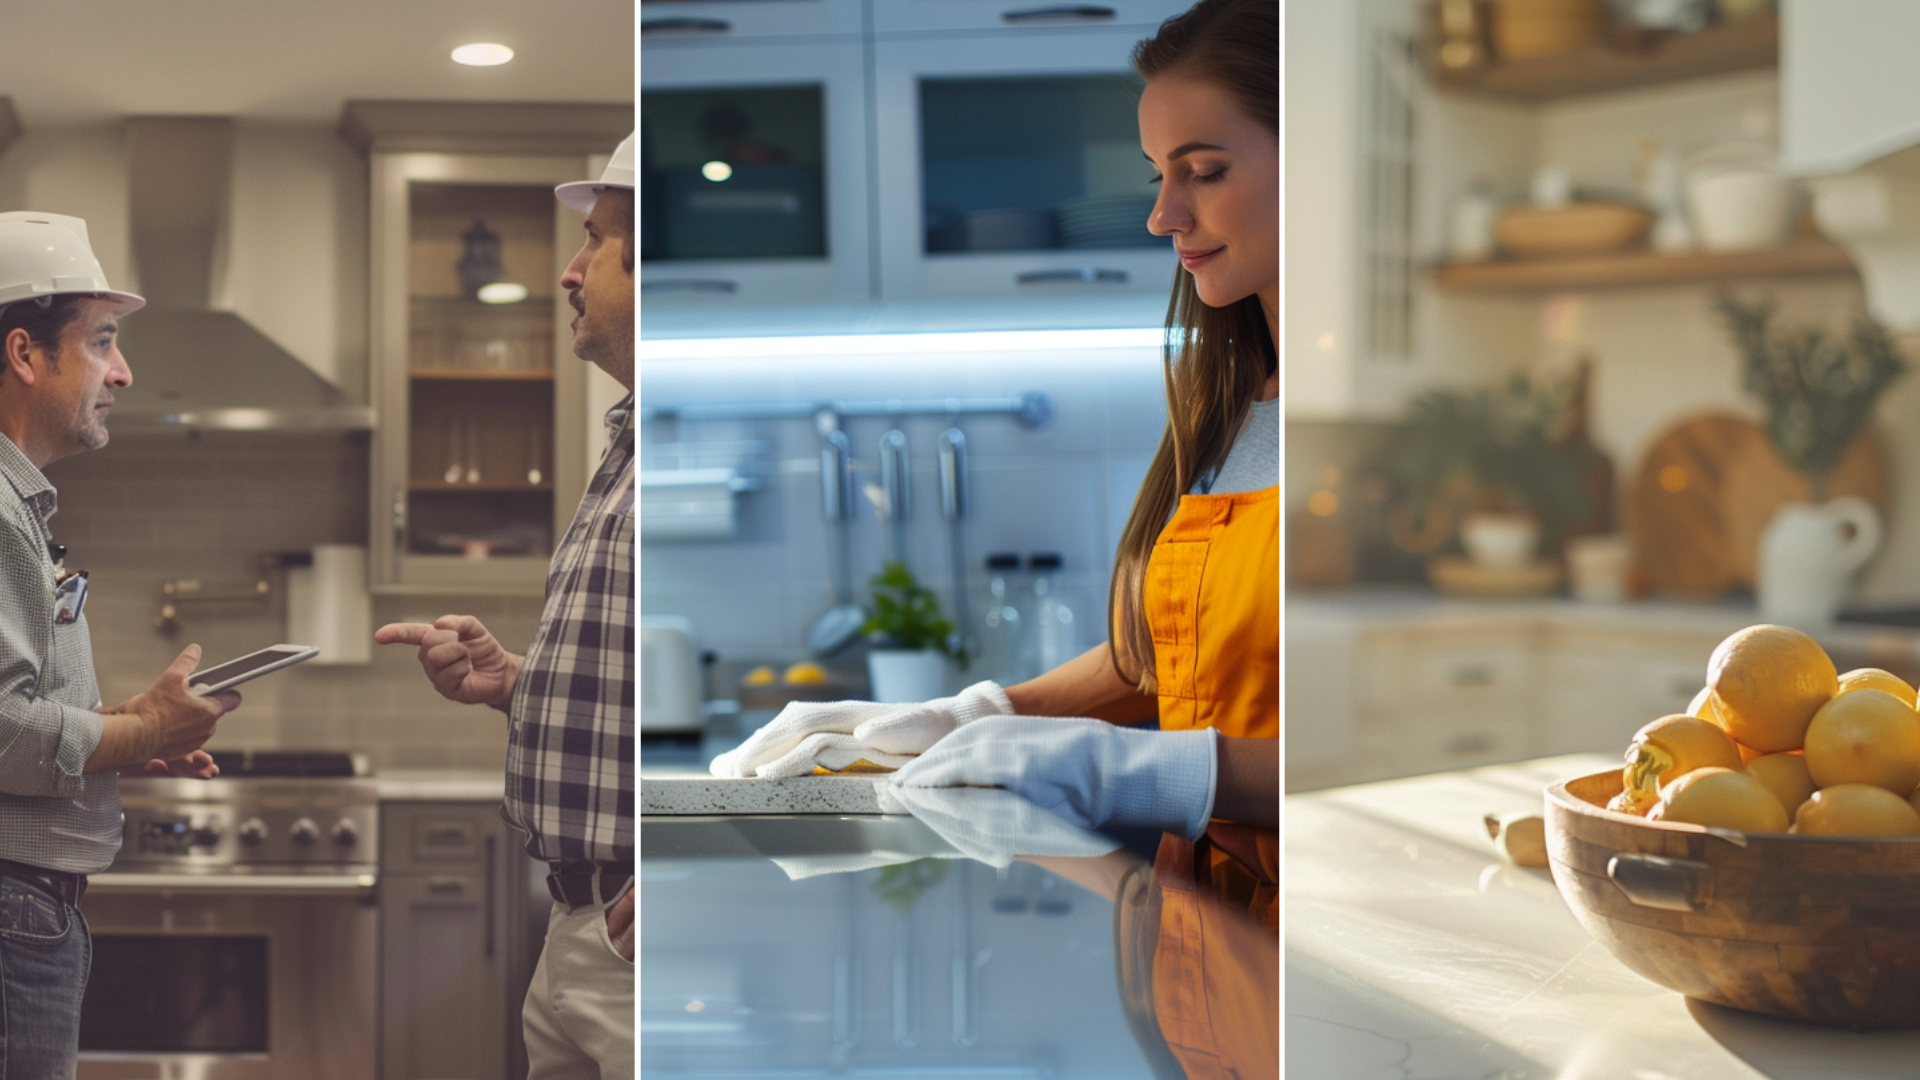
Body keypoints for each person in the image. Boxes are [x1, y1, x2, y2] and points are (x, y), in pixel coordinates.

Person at [718, 0, 1278, 902]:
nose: (1164, 216)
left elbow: (1403, 756)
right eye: (1155, 179)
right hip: (1208, 951)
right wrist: (972, 714)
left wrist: (1140, 772)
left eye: (1205, 171)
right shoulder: (1231, 403)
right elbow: (1164, 658)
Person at [375, 134, 635, 1080]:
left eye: (596, 242)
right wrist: (519, 684)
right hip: (584, 929)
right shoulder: (627, 446)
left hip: (641, 936)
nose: (567, 271)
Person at [0, 210, 241, 1077]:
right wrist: (143, 735)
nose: (124, 372)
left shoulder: (18, 504)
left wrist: (124, 729)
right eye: (102, 341)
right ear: (27, 354)